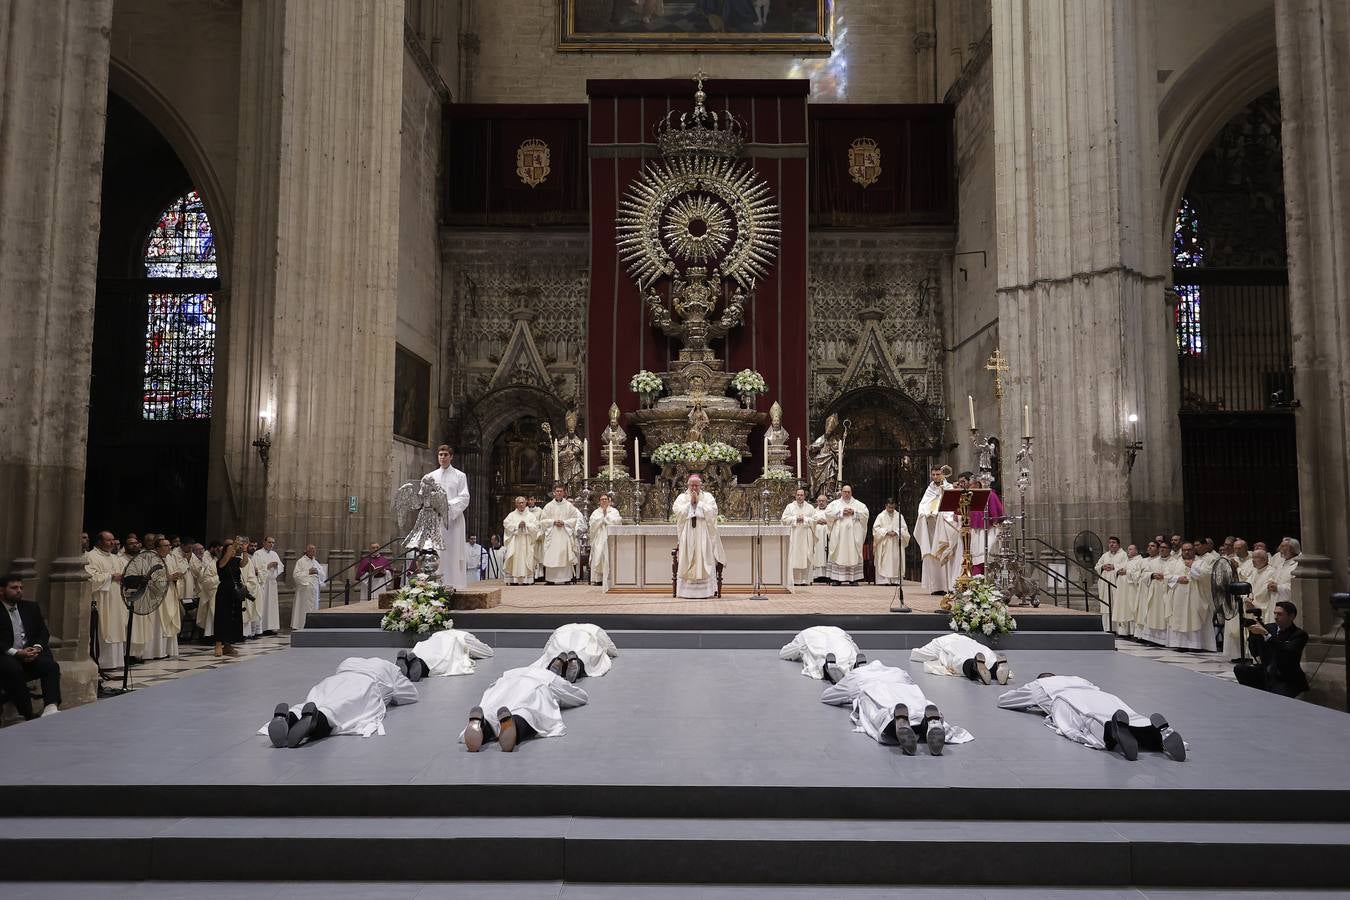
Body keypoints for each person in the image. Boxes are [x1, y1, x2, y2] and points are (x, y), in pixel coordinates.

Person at [997, 673, 1186, 761]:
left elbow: (1004, 701)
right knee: (1127, 713)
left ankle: (1113, 732)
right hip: (1102, 696)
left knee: (1084, 718)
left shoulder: (1039, 685)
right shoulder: (1078, 679)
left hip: (1067, 699)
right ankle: (1156, 732)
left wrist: (1033, 703)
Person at [819, 659, 972, 756]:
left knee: (877, 712)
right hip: (906, 689)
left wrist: (847, 692)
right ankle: (930, 721)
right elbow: (911, 683)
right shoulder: (897, 671)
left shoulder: (856, 675)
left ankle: (895, 719)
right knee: (919, 704)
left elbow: (827, 697)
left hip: (875, 690)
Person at [262, 656, 418, 748]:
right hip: (365, 683)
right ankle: (317, 720)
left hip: (334, 680)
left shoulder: (350, 661)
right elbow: (410, 694)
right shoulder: (388, 667)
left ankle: (290, 716)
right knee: (340, 709)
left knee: (317, 699)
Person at [461, 665, 589, 752]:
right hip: (532, 686)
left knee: (491, 711)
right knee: (527, 712)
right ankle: (514, 724)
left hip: (503, 686)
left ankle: (483, 724)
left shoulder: (510, 672)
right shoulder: (548, 675)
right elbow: (578, 696)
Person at [0, 574, 61, 719]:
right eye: (14, 588)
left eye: (21, 587)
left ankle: (50, 707)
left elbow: (42, 631)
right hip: (5, 655)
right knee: (14, 669)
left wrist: (37, 648)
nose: (19, 590)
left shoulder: (30, 607)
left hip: (29, 653)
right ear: (1, 591)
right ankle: (27, 713)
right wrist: (17, 653)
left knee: (51, 666)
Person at [1234, 600, 1309, 697]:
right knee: (1240, 669)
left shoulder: (1299, 634)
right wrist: (1253, 635)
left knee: (1276, 698)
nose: (1276, 617)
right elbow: (1255, 649)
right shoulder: (1269, 628)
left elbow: (1287, 650)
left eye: (1280, 614)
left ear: (1291, 616)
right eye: (1275, 613)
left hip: (1285, 676)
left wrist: (1266, 634)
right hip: (1266, 671)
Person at [672, 474, 725, 599]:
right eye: (692, 485)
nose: (694, 488)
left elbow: (713, 512)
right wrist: (690, 503)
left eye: (696, 485)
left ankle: (705, 591)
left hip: (703, 535)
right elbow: (677, 511)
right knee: (688, 558)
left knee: (704, 557)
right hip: (687, 534)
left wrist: (698, 504)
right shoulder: (681, 497)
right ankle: (686, 592)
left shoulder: (708, 497)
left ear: (701, 485)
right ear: (688, 485)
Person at [426, 444, 471, 588]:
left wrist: (447, 506)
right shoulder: (430, 477)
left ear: (451, 457)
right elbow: (425, 496)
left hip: (454, 521)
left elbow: (464, 497)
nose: (443, 457)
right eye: (440, 455)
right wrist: (433, 504)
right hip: (436, 520)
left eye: (446, 455)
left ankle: (455, 584)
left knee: (453, 552)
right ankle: (436, 585)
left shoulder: (459, 476)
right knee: (437, 551)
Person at [85, 530, 127, 672]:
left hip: (116, 598)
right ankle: (103, 662)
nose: (112, 543)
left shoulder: (116, 558)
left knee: (117, 626)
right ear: (99, 542)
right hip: (102, 600)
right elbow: (90, 578)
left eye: (113, 540)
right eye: (108, 540)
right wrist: (110, 576)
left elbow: (123, 574)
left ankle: (116, 661)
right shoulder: (91, 556)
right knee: (105, 628)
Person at [915, 467, 960, 595]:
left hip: (943, 527)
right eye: (933, 474)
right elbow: (922, 505)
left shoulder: (949, 488)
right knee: (931, 555)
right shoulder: (929, 490)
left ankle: (948, 586)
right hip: (931, 528)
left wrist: (939, 514)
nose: (935, 477)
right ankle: (936, 587)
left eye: (938, 474)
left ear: (943, 475)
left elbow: (951, 507)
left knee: (943, 551)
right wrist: (924, 514)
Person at [1165, 542, 1216, 651]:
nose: (1187, 552)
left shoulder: (1201, 562)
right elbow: (1166, 575)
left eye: (1189, 550)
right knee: (1179, 618)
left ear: (1194, 550)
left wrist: (1192, 566)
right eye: (1184, 550)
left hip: (1195, 597)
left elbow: (1207, 575)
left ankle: (1195, 645)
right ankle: (1180, 644)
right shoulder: (1175, 563)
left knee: (1194, 618)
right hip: (1178, 598)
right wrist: (1178, 579)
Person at [531, 622, 620, 680]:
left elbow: (548, 645)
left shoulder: (562, 628)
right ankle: (577, 662)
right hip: (584, 637)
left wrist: (546, 654)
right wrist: (614, 653)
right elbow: (608, 644)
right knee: (588, 656)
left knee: (555, 650)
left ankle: (557, 660)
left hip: (562, 638)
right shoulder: (594, 628)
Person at [910, 633, 1009, 684]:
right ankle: (995, 666)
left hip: (951, 646)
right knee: (987, 657)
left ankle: (973, 666)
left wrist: (915, 651)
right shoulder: (965, 637)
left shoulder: (938, 642)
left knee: (958, 660)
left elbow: (920, 654)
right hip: (973, 645)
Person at [398, 628, 494, 679]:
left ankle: (408, 663)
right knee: (443, 658)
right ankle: (422, 668)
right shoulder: (466, 636)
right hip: (450, 642)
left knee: (425, 652)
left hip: (432, 641)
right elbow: (487, 652)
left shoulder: (439, 633)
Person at [824, 484, 869, 585]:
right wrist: (841, 512)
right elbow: (828, 513)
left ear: (851, 493)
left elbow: (866, 514)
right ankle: (836, 578)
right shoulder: (835, 504)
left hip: (853, 537)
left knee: (852, 554)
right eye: (845, 492)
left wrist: (854, 512)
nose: (847, 494)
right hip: (839, 537)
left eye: (849, 492)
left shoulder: (858, 504)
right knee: (838, 553)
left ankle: (853, 579)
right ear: (842, 492)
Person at [961, 471, 1004, 575]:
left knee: (987, 557)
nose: (969, 487)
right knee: (976, 558)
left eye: (970, 485)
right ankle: (977, 582)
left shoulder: (990, 495)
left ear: (977, 484)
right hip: (976, 532)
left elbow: (997, 514)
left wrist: (995, 523)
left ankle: (987, 583)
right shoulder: (971, 496)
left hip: (989, 531)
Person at [779, 625, 861, 678]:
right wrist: (857, 653)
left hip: (811, 638)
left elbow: (784, 653)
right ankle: (853, 663)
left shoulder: (803, 634)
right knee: (845, 651)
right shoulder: (838, 630)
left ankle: (826, 668)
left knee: (819, 654)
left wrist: (799, 653)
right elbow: (853, 645)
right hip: (838, 635)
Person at [539, 483, 582, 585]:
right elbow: (543, 520)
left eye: (561, 491)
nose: (559, 493)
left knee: (564, 554)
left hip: (564, 534)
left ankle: (566, 578)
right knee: (552, 555)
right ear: (554, 493)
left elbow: (574, 519)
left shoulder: (569, 506)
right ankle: (551, 579)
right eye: (557, 491)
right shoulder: (548, 506)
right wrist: (553, 522)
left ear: (564, 493)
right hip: (552, 534)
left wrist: (564, 522)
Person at [780, 487, 820, 586]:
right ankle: (794, 580)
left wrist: (805, 519)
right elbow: (784, 519)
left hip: (806, 535)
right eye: (798, 495)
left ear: (804, 496)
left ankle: (804, 580)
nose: (799, 497)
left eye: (801, 495)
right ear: (795, 495)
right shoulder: (790, 506)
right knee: (794, 556)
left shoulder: (810, 507)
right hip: (794, 535)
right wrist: (795, 519)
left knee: (806, 555)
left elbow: (815, 520)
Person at [214, 537, 247, 658]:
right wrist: (234, 544)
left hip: (235, 592)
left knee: (234, 617)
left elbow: (244, 563)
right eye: (230, 550)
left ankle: (228, 645)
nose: (233, 551)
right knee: (222, 617)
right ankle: (218, 644)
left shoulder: (236, 560)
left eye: (234, 550)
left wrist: (244, 550)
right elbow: (224, 561)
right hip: (224, 591)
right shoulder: (220, 562)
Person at [1134, 540, 1171, 646]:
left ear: (1169, 550)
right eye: (1161, 548)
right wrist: (1152, 575)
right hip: (1154, 592)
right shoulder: (1153, 562)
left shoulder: (1174, 561)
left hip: (1166, 592)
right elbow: (1144, 574)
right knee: (1153, 614)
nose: (1162, 549)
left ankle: (1164, 639)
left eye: (1164, 547)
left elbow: (1176, 574)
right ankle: (1153, 639)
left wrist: (1165, 576)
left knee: (1164, 615)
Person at [871, 498, 910, 586]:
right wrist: (886, 532)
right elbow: (875, 529)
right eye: (889, 507)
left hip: (896, 542)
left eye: (892, 507)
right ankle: (884, 580)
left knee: (896, 560)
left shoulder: (899, 516)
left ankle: (895, 580)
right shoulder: (881, 516)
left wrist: (896, 532)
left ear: (895, 506)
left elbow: (904, 529)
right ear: (886, 506)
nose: (891, 509)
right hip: (885, 541)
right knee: (885, 560)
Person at [502, 497, 538, 585]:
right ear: (516, 504)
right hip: (515, 541)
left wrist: (526, 525)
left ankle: (526, 579)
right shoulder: (511, 515)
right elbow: (506, 523)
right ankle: (513, 579)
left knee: (526, 558)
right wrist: (517, 525)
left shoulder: (530, 516)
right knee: (514, 558)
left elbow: (536, 527)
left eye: (523, 503)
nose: (521, 504)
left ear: (526, 503)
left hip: (526, 541)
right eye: (519, 503)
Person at [1094, 536, 1128, 628]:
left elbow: (1126, 566)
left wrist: (1114, 566)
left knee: (1116, 603)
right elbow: (1097, 566)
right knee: (1106, 604)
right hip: (1105, 584)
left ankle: (1117, 628)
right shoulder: (1105, 555)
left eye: (1114, 542)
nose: (1111, 544)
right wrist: (1102, 567)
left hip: (1116, 582)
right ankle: (1107, 627)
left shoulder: (1123, 554)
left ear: (1118, 544)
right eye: (1110, 543)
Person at [588, 494, 622, 586]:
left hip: (610, 537)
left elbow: (617, 521)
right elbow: (592, 524)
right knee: (598, 554)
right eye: (602, 499)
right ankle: (598, 579)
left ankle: (610, 578)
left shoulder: (614, 511)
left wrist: (605, 518)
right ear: (599, 501)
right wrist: (601, 518)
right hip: (599, 537)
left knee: (609, 556)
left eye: (605, 499)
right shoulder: (596, 512)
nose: (603, 501)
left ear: (609, 501)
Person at [251, 536, 282, 632]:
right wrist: (267, 566)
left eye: (273, 542)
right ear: (264, 542)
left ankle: (271, 627)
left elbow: (281, 566)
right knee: (262, 605)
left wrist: (277, 567)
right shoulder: (258, 554)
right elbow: (254, 568)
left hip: (272, 583)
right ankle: (261, 628)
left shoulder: (275, 554)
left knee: (271, 607)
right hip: (262, 583)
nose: (271, 544)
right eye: (269, 542)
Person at [1111, 544, 1142, 637]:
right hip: (1122, 590)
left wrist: (1127, 572)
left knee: (1132, 609)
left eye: (1131, 549)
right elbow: (1118, 568)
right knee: (1123, 609)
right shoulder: (1126, 561)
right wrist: (1118, 571)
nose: (1128, 551)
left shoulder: (1140, 561)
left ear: (1136, 551)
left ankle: (1133, 632)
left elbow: (1139, 574)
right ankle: (1123, 632)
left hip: (1132, 589)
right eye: (1128, 549)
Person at [290, 544, 323, 629]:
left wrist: (318, 572)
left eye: (314, 550)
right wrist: (308, 572)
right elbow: (296, 575)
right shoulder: (301, 562)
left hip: (314, 590)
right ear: (307, 551)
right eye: (311, 549)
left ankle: (313, 625)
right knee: (304, 609)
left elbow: (322, 574)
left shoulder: (316, 562)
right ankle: (301, 625)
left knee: (314, 608)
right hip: (305, 591)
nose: (313, 551)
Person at [526, 495, 546, 582]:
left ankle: (539, 575)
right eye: (529, 500)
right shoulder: (525, 511)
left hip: (537, 537)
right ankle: (530, 574)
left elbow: (542, 524)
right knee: (529, 556)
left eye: (532, 499)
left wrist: (539, 534)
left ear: (535, 500)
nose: (530, 501)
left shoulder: (540, 511)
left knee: (537, 556)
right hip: (528, 536)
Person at [811, 494, 830, 582]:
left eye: (823, 501)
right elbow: (810, 521)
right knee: (817, 553)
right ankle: (817, 575)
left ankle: (827, 575)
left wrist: (827, 521)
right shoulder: (813, 511)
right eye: (819, 501)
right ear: (817, 502)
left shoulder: (830, 511)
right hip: (817, 537)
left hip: (827, 536)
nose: (821, 502)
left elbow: (834, 520)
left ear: (827, 502)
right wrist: (816, 521)